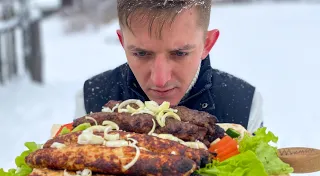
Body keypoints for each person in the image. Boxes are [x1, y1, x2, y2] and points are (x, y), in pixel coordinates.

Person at [74, 0, 263, 133]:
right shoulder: (91, 98)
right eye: (141, 53)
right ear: (123, 42)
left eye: (180, 53)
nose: (160, 80)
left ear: (207, 43)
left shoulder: (245, 105)